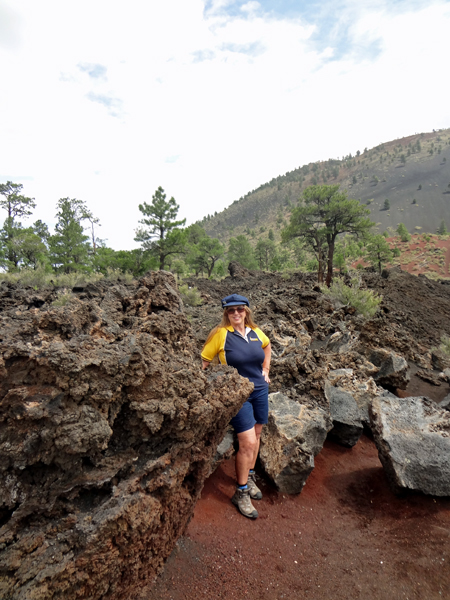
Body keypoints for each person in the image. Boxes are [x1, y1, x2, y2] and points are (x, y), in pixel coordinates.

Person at [201, 294, 271, 519]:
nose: (236, 314)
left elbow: (267, 347)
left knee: (257, 435)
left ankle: (249, 476)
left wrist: (266, 370)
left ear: (246, 311)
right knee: (248, 442)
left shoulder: (256, 332)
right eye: (231, 311)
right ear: (226, 314)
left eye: (240, 309)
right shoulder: (220, 335)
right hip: (238, 394)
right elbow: (203, 363)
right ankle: (241, 492)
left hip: (260, 390)